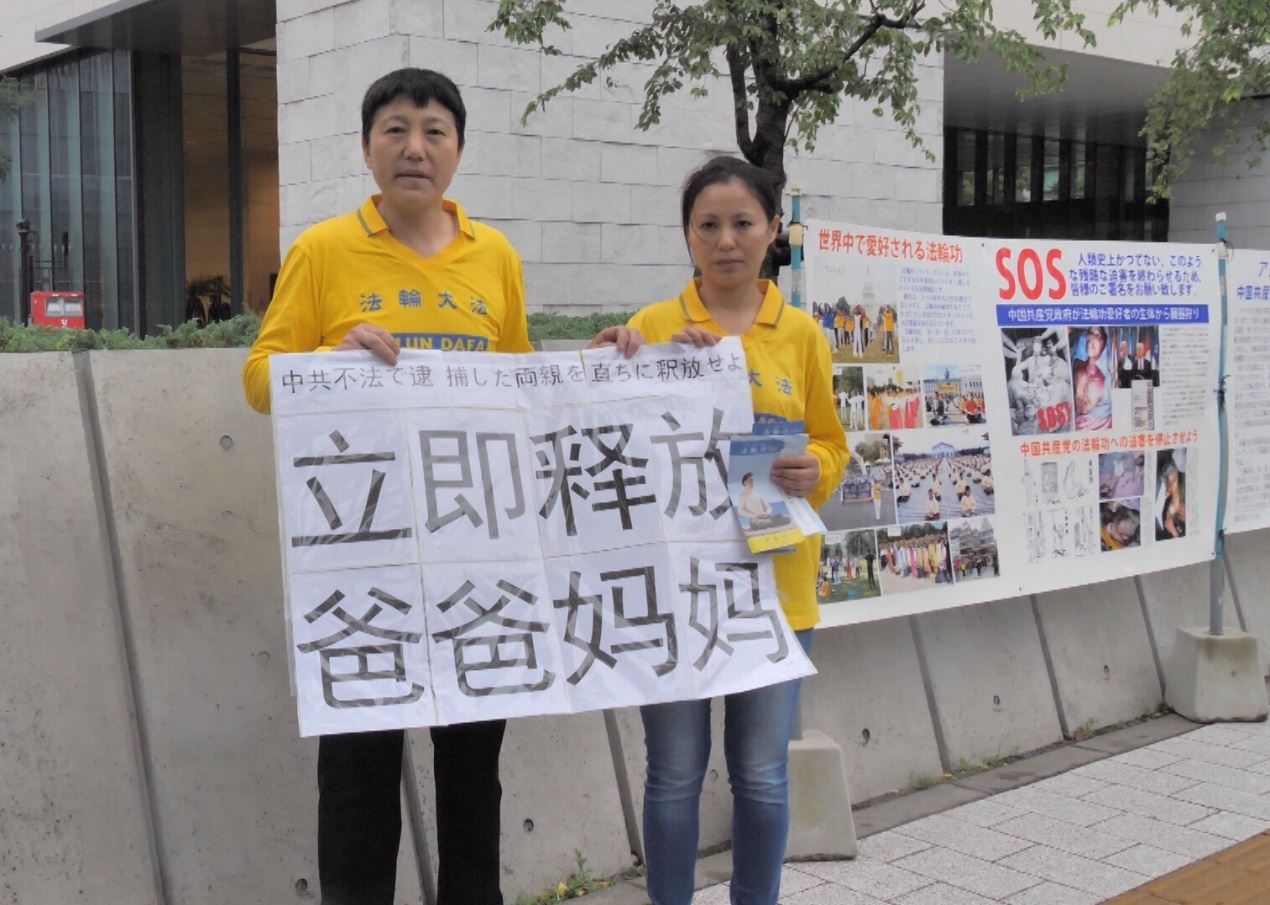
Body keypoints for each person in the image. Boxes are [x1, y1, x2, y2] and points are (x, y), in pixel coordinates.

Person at [242, 68, 531, 905]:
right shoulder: (324, 250)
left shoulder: (496, 256)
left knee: (473, 770)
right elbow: (260, 378)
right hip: (362, 557)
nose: (415, 148)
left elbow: (517, 387)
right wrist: (329, 362)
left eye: (435, 131)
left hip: (472, 551)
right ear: (367, 149)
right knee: (358, 776)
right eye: (396, 129)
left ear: (459, 150)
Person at [589, 155, 847, 905]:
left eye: (742, 223)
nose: (725, 240)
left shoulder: (802, 334)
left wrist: (813, 468)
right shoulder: (652, 327)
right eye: (708, 225)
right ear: (687, 235)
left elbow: (832, 445)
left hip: (777, 592)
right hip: (676, 595)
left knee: (763, 773)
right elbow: (605, 444)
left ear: (772, 229)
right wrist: (607, 368)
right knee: (673, 772)